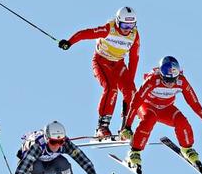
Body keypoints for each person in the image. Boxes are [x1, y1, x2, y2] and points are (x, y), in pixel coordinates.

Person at [120, 56, 202, 168]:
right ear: (161, 75)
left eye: (173, 80)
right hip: (147, 106)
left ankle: (187, 149)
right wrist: (127, 126)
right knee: (149, 119)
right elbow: (136, 102)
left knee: (182, 121)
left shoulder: (182, 81)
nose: (170, 83)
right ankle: (134, 152)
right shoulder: (153, 80)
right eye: (167, 80)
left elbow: (193, 101)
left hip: (166, 108)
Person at [58, 7, 140, 139]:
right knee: (111, 88)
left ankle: (125, 128)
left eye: (131, 25)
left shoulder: (134, 35)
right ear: (118, 22)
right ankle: (102, 127)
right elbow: (86, 33)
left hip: (118, 64)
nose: (127, 29)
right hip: (102, 61)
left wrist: (130, 80)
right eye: (124, 25)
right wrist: (69, 42)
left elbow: (134, 58)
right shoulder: (109, 29)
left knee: (131, 91)